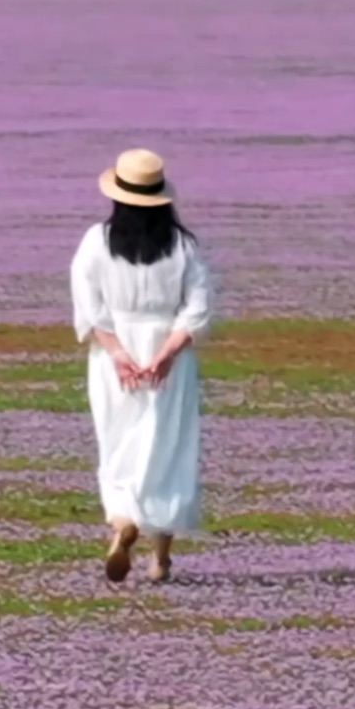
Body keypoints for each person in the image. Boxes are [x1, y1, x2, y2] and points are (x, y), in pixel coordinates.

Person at [69, 147, 217, 583]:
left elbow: (89, 306)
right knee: (168, 447)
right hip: (167, 353)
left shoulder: (96, 242)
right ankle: (160, 559)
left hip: (116, 357)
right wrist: (165, 354)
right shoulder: (183, 246)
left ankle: (122, 523)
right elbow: (198, 307)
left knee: (119, 444)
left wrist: (118, 354)